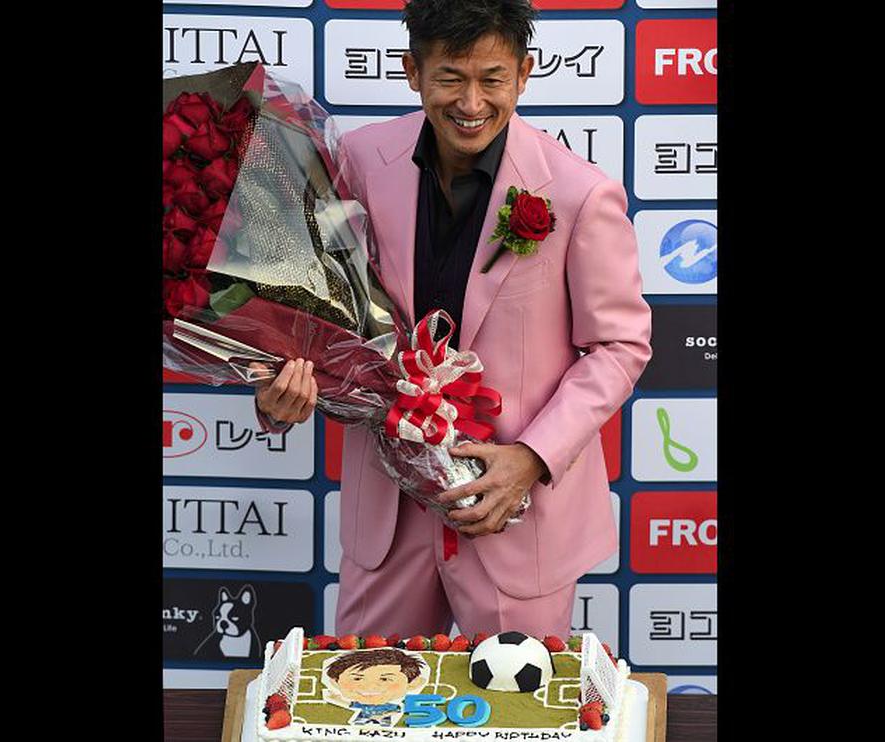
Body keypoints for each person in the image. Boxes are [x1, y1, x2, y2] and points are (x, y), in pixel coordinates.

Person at [255, 0, 651, 640]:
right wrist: (282, 390)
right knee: (364, 688)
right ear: (413, 71)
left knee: (516, 698)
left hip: (513, 507)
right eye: (450, 78)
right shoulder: (356, 159)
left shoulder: (580, 192)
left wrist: (532, 457)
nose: (471, 103)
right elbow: (309, 308)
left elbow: (620, 346)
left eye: (492, 79)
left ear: (524, 73)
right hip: (386, 517)